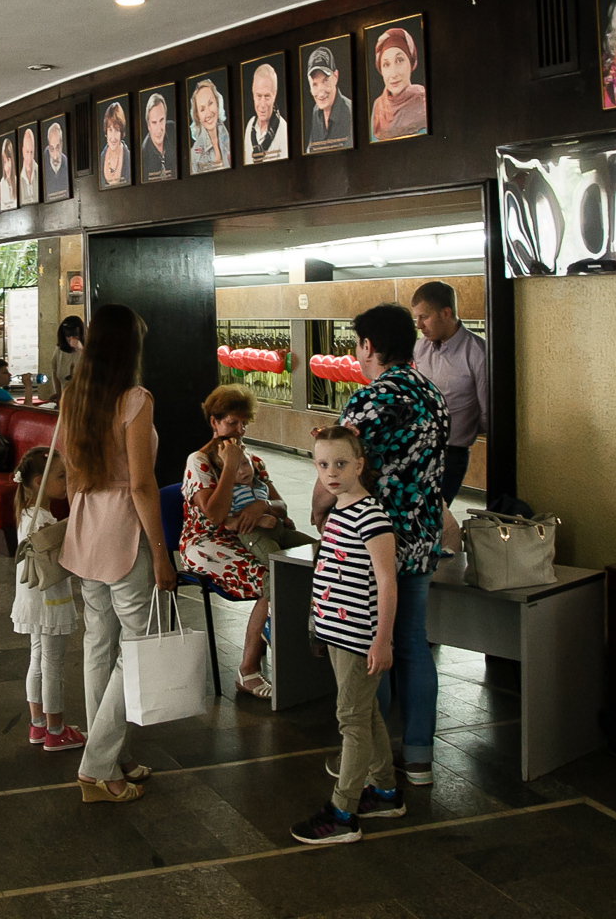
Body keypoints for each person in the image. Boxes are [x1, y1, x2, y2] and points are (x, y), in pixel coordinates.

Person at [310, 303, 447, 785]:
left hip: (371, 539)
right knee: (411, 642)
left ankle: (372, 762)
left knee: (370, 647)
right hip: (423, 537)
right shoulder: (432, 393)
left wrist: (319, 510)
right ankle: (420, 758)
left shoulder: (370, 399)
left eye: (357, 343)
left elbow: (336, 464)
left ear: (368, 346)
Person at [56, 304, 175, 803]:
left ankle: (112, 755)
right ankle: (97, 766)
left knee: (99, 645)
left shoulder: (73, 395)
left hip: (86, 526)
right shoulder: (135, 399)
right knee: (137, 647)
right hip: (124, 530)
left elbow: (70, 471)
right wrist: (161, 553)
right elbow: (143, 485)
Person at [291, 426, 402, 845]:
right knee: (365, 712)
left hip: (360, 637)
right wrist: (320, 625)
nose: (331, 473)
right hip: (339, 633)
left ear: (359, 465)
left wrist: (382, 639)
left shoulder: (371, 516)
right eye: (323, 465)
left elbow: (387, 581)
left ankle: (343, 812)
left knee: (351, 720)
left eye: (340, 464)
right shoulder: (339, 512)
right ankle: (385, 791)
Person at [178, 385, 307, 699]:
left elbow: (281, 506)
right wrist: (231, 465)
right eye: (232, 423)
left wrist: (261, 506)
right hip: (207, 541)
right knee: (271, 578)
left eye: (243, 423)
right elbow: (214, 515)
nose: (239, 430)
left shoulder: (255, 461)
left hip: (251, 535)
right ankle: (248, 670)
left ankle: (298, 645)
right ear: (215, 422)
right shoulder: (199, 461)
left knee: (297, 566)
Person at [409, 281, 519, 517]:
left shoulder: (478, 353)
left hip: (451, 453)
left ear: (446, 313)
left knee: (433, 516)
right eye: (416, 318)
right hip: (417, 447)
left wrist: (464, 426)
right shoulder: (420, 348)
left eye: (424, 317)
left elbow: (488, 414)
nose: (419, 325)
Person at [11, 446, 85, 752]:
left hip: (31, 600)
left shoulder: (27, 513)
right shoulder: (42, 520)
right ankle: (56, 730)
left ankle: (38, 724)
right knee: (53, 664)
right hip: (50, 600)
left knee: (37, 659)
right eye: (61, 476)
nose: (66, 481)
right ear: (39, 481)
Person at [368, 26, 427, 140]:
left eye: (399, 61)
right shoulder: (378, 107)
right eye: (386, 64)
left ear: (411, 63)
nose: (393, 73)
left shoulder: (424, 101)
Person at [304, 47, 354, 153]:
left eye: (325, 81)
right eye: (315, 84)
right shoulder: (315, 112)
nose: (321, 93)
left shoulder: (351, 112)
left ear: (336, 76)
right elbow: (311, 151)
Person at [244, 62, 288, 163]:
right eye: (259, 96)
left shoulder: (284, 131)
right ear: (253, 95)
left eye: (267, 96)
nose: (262, 104)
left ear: (274, 95)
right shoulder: (250, 126)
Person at [187, 76, 231, 173]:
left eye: (210, 103)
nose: (208, 113)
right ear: (197, 115)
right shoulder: (194, 155)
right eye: (202, 109)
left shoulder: (233, 139)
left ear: (217, 103)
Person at [43, 315, 84, 403]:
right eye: (68, 335)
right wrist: (59, 394)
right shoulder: (59, 350)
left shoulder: (87, 350)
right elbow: (55, 372)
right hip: (66, 398)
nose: (71, 338)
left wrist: (81, 348)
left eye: (75, 335)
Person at [140, 91, 176, 181]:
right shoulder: (143, 153)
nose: (159, 129)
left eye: (161, 120)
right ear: (148, 126)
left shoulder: (173, 130)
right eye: (154, 123)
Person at [99, 100, 131, 188]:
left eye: (117, 130)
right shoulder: (101, 157)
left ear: (121, 133)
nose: (113, 137)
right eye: (110, 130)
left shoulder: (128, 157)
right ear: (106, 131)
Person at [42, 119, 70, 200]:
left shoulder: (67, 164)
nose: (55, 157)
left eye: (57, 148)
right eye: (52, 149)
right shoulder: (42, 163)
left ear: (61, 145)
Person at [18, 126, 40, 205]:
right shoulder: (17, 179)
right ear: (23, 151)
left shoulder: (41, 173)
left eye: (31, 152)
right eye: (27, 152)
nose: (29, 158)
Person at [0, 137, 18, 211]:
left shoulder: (17, 182)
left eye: (8, 160)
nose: (6, 167)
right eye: (4, 162)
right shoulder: (2, 184)